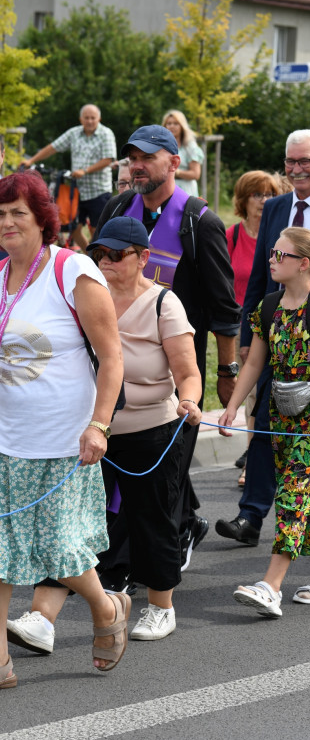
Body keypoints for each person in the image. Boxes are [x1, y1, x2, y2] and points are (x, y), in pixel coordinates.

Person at [6, 216, 203, 649]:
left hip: (148, 428)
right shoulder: (82, 294)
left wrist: (189, 399)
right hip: (87, 430)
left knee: (150, 519)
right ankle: (42, 616)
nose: (106, 263)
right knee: (63, 525)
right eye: (99, 254)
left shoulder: (162, 303)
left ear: (143, 258)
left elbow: (188, 371)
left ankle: (160, 605)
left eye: (117, 255)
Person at [95, 125, 241, 571]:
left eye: (147, 157)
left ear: (174, 163)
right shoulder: (119, 208)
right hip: (113, 372)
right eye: (131, 157)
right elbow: (92, 274)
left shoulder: (200, 221)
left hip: (176, 377)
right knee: (131, 472)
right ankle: (164, 537)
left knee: (162, 470)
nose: (136, 165)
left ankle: (153, 560)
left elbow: (223, 306)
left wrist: (226, 371)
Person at [215, 128, 310, 547]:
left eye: (305, 161)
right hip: (273, 335)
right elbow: (262, 279)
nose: (296, 169)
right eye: (291, 161)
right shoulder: (276, 207)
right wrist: (250, 331)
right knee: (265, 424)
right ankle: (251, 516)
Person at [0, 171, 125, 687]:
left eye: (17, 214)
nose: (7, 223)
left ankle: (106, 608)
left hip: (62, 441)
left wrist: (99, 425)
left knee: (59, 551)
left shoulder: (72, 272)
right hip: (6, 440)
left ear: (42, 219)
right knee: (1, 551)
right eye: (1, 214)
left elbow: (114, 357)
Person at [219, 227, 310, 617]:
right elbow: (255, 363)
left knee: (294, 491)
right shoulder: (267, 307)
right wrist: (231, 405)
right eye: (272, 254)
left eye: (280, 256)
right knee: (308, 495)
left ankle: (271, 584)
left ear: (304, 264)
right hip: (279, 410)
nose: (272, 261)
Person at [226, 170, 280, 485]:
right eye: (256, 195)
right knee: (252, 394)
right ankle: (253, 461)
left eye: (269, 194)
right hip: (245, 325)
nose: (263, 201)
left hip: (281, 323)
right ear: (243, 200)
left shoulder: (280, 235)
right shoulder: (232, 235)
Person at [19, 104, 116, 251]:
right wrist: (31, 161)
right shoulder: (74, 133)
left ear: (99, 119)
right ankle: (91, 257)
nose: (89, 121)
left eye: (93, 118)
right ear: (80, 119)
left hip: (99, 191)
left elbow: (108, 159)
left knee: (98, 231)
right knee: (72, 227)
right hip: (77, 191)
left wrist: (85, 170)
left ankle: (100, 258)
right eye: (86, 118)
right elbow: (53, 147)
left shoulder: (106, 133)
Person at [162, 109, 204, 197]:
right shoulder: (161, 146)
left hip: (186, 191)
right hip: (165, 191)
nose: (172, 126)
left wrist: (175, 172)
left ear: (182, 126)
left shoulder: (190, 146)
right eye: (169, 123)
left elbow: (196, 174)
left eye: (176, 123)